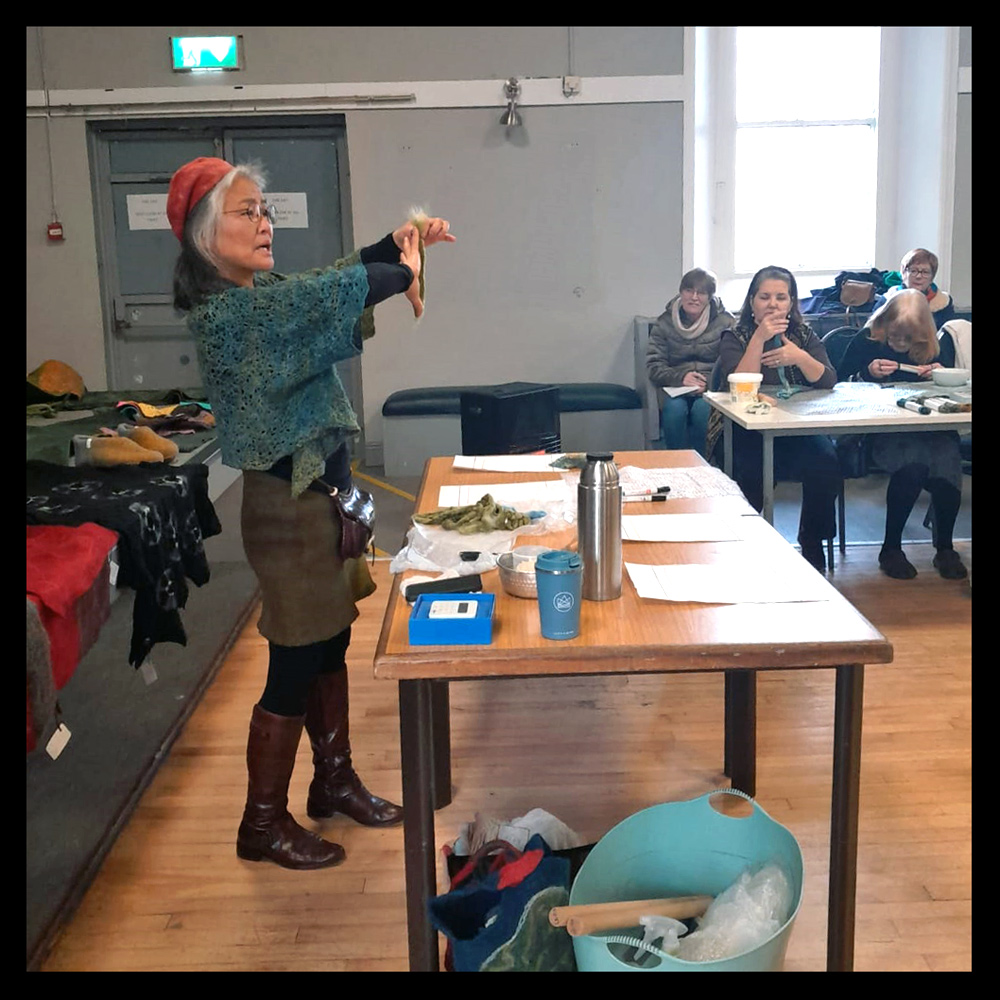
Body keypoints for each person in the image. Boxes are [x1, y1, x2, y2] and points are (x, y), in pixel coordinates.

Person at [168, 156, 455, 870]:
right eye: (246, 212)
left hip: (322, 503)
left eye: (264, 210)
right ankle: (261, 824)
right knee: (294, 661)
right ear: (205, 234)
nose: (264, 223)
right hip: (287, 513)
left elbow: (329, 279)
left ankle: (333, 781)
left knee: (329, 641)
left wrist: (399, 243)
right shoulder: (232, 313)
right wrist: (401, 270)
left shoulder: (261, 292)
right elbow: (331, 294)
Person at [716, 265, 842, 573]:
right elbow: (737, 383)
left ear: (791, 302)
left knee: (826, 461)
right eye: (765, 297)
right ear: (752, 301)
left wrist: (800, 357)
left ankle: (811, 540)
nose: (773, 304)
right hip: (744, 429)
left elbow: (827, 380)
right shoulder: (734, 336)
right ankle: (743, 541)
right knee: (752, 470)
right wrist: (759, 339)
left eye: (781, 297)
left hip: (796, 426)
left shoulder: (805, 335)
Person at [837, 289, 967, 581]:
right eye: (894, 335)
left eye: (908, 338)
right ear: (884, 322)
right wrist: (867, 374)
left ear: (922, 334)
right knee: (914, 463)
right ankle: (891, 548)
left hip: (930, 427)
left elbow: (953, 391)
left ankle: (945, 547)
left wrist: (940, 373)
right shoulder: (867, 340)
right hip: (883, 430)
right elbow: (836, 384)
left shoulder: (935, 345)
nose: (899, 343)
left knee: (947, 460)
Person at [646, 268, 735, 457]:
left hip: (712, 389)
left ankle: (702, 463)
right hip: (676, 387)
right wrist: (681, 378)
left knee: (703, 410)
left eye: (701, 293)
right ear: (681, 292)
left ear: (710, 297)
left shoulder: (726, 322)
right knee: (674, 411)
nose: (694, 297)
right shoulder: (664, 322)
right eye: (689, 290)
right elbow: (654, 366)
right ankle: (676, 463)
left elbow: (732, 364)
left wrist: (709, 383)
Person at [883, 248, 956, 327]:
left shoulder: (943, 303)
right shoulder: (887, 299)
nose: (919, 276)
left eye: (925, 272)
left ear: (932, 277)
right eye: (913, 271)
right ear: (903, 273)